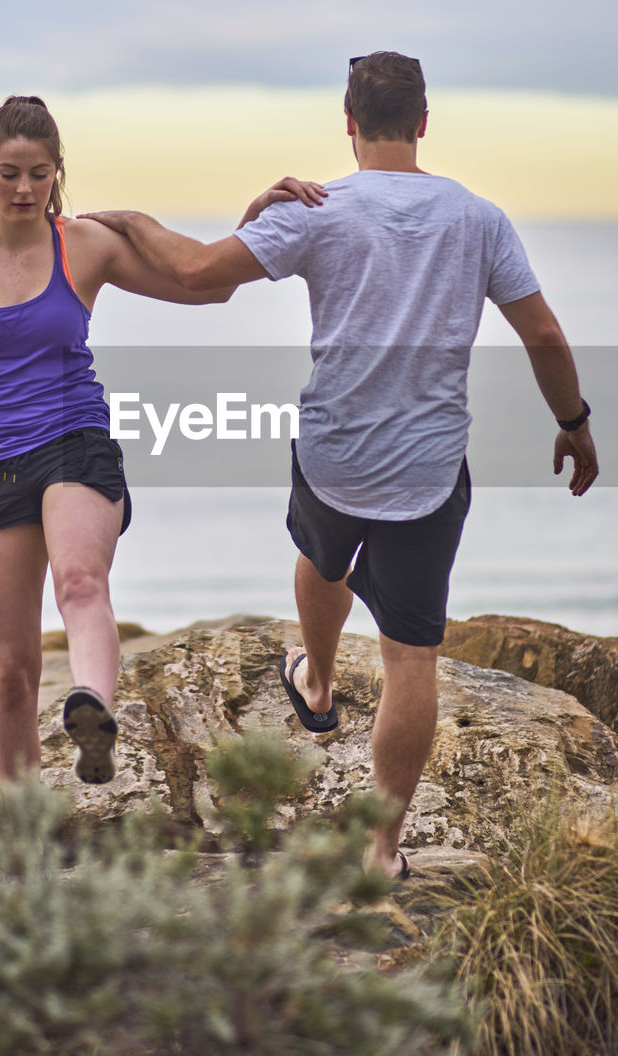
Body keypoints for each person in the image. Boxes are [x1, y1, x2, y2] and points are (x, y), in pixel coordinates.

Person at [82, 52, 599, 877]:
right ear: (423, 122)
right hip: (428, 468)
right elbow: (542, 335)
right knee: (409, 654)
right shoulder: (477, 219)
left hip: (333, 452)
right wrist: (573, 422)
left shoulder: (315, 207)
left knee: (322, 555)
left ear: (349, 123)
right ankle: (381, 849)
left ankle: (316, 680)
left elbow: (195, 274)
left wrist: (127, 218)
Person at [0, 94, 324, 785]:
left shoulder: (83, 244)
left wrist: (256, 215)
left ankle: (93, 705)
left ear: (59, 170)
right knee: (8, 675)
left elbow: (205, 284)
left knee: (82, 583)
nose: (25, 189)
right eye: (9, 173)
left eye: (39, 173)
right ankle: (26, 834)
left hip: (74, 441)